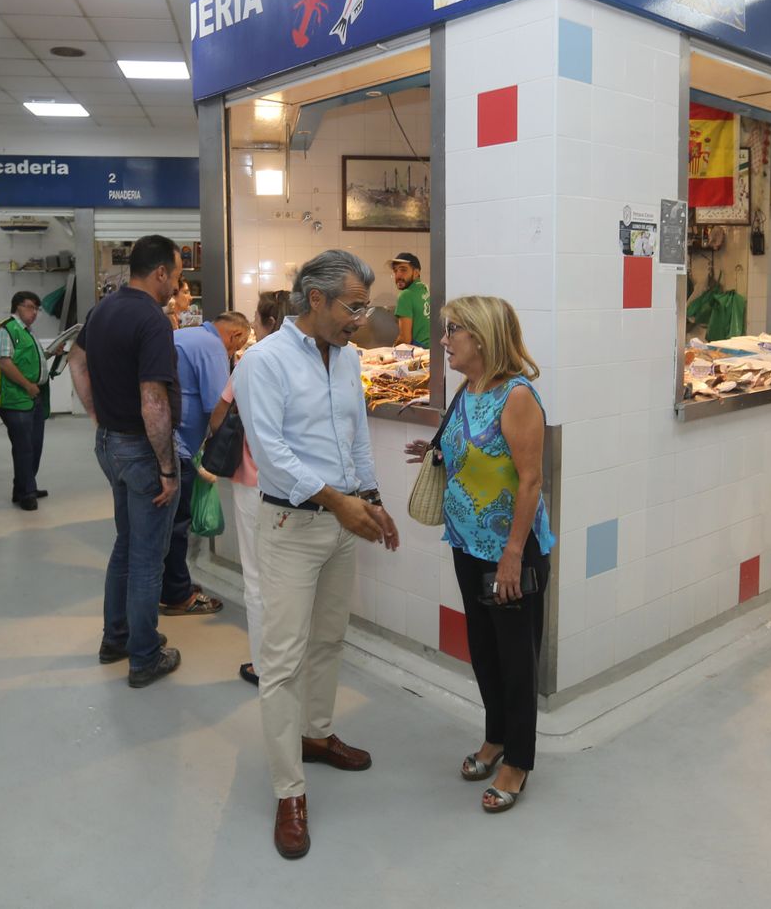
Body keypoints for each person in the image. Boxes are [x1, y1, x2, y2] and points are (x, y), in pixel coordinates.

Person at [234, 250, 401, 860]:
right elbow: (272, 455)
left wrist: (372, 500)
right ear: (315, 300)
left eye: (365, 305)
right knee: (280, 660)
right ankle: (289, 790)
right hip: (291, 525)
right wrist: (338, 503)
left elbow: (356, 435)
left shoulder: (349, 357)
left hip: (339, 522)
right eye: (353, 305)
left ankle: (317, 734)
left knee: (329, 638)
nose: (361, 317)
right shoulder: (264, 361)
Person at [404, 295, 553, 815]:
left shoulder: (518, 397)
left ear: (483, 338)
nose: (443, 341)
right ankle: (494, 737)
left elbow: (531, 481)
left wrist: (513, 553)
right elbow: (477, 452)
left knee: (516, 659)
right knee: (485, 651)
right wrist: (436, 453)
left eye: (452, 333)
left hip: (509, 551)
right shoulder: (468, 389)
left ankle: (518, 760)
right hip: (467, 545)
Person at [68, 235, 185, 687]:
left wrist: (96, 412)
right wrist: (168, 469)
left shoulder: (104, 309)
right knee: (147, 559)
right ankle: (144, 656)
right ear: (159, 273)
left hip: (110, 445)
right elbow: (153, 401)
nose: (176, 285)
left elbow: (76, 360)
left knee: (125, 544)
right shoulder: (152, 321)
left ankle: (115, 638)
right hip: (139, 450)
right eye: (175, 276)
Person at [206, 291, 291, 687]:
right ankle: (293, 658)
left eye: (256, 319)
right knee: (292, 578)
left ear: (268, 320)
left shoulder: (251, 360)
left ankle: (264, 664)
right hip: (299, 490)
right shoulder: (319, 360)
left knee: (257, 578)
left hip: (254, 483)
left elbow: (221, 411)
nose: (253, 326)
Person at [161, 311, 251, 616]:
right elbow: (218, 409)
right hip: (177, 446)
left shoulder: (185, 336)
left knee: (165, 523)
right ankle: (176, 594)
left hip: (160, 439)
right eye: (236, 350)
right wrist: (223, 453)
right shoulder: (212, 346)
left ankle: (170, 583)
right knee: (178, 524)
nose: (233, 355)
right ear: (236, 336)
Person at [0, 291, 50, 511]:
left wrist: (50, 354)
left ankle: (25, 487)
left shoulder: (27, 331)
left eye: (37, 309)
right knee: (24, 447)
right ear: (17, 306)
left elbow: (28, 360)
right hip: (17, 400)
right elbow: (5, 363)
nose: (34, 312)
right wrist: (27, 385)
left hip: (33, 398)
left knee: (34, 446)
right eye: (30, 307)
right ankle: (26, 493)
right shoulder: (7, 328)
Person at [390, 252, 431, 348]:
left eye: (403, 270)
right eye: (395, 271)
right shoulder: (426, 289)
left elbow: (405, 339)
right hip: (432, 353)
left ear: (416, 273)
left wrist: (391, 350)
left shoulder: (405, 295)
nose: (398, 276)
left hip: (419, 354)